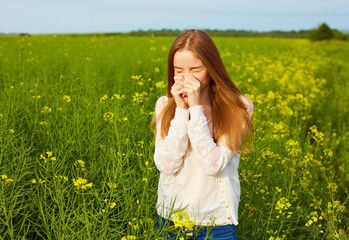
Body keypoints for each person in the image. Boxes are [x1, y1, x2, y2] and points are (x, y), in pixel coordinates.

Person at [150, 29, 254, 240]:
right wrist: (181, 111)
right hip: (171, 217)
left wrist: (196, 109)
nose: (186, 78)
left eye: (195, 70)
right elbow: (167, 165)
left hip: (216, 220)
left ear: (212, 68)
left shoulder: (238, 107)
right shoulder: (164, 105)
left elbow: (213, 165)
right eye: (178, 71)